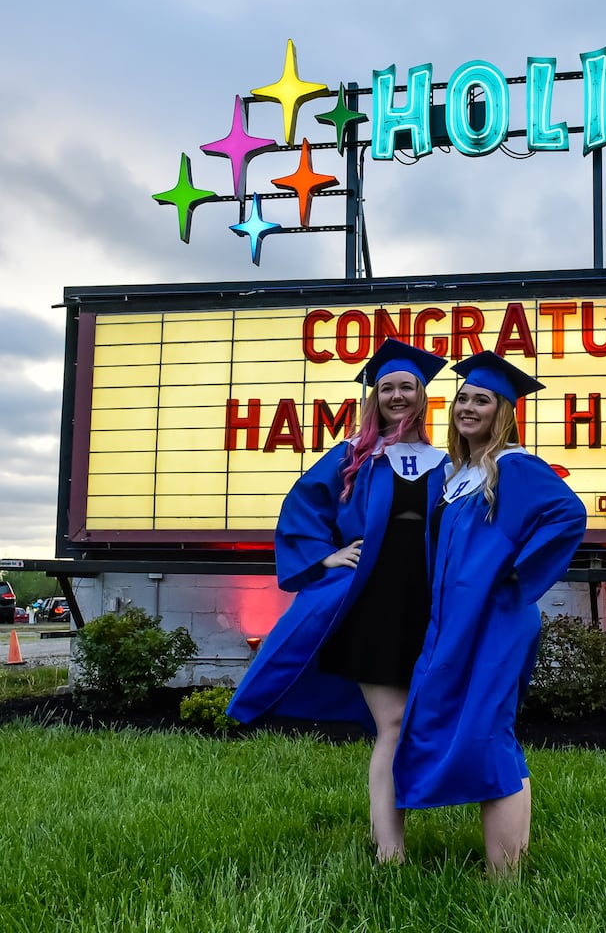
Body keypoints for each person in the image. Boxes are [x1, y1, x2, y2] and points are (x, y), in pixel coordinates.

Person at [228, 338, 449, 864]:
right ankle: (389, 852)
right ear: (375, 397)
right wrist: (326, 557)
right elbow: (302, 505)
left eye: (407, 387)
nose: (397, 395)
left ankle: (402, 830)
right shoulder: (353, 456)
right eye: (387, 387)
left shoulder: (447, 462)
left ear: (423, 397)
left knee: (416, 724)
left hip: (429, 607)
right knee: (392, 725)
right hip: (371, 605)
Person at [396, 350, 587, 877]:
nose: (467, 407)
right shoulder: (461, 475)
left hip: (496, 617)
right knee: (489, 728)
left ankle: (504, 877)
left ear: (503, 411)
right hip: (458, 622)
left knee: (488, 731)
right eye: (462, 398)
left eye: (482, 399)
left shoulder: (513, 466)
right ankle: (509, 864)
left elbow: (568, 514)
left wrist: (513, 572)